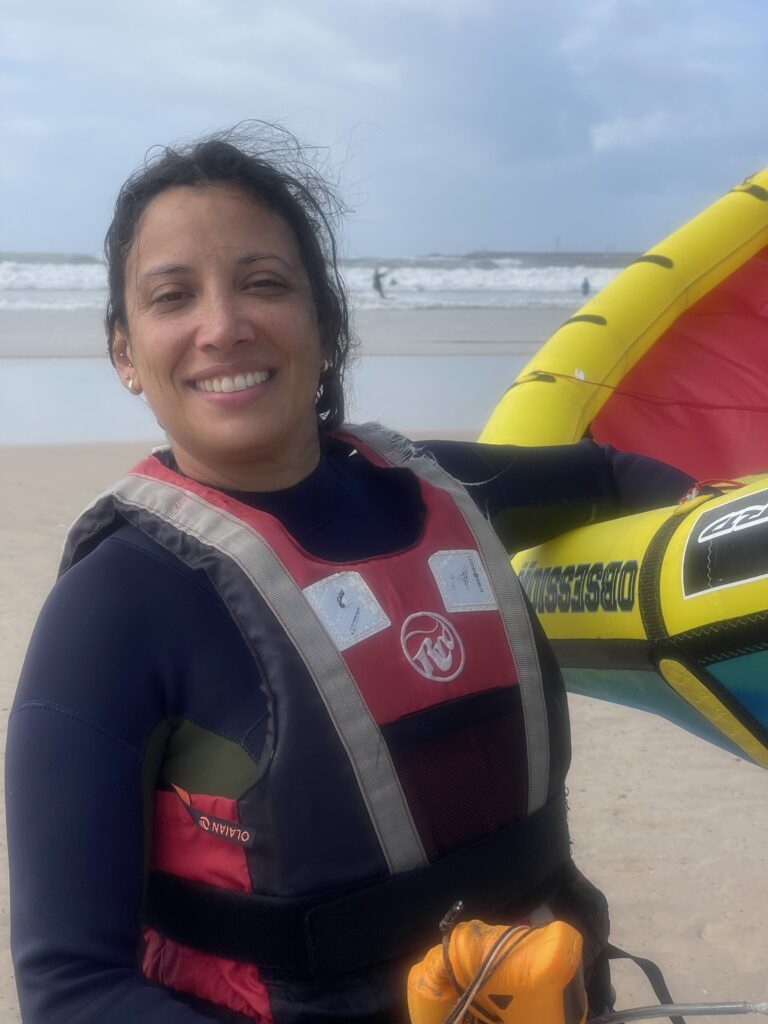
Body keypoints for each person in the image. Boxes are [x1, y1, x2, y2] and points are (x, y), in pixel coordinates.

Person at [6, 126, 694, 1024]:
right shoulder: (113, 606)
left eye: (264, 283)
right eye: (173, 296)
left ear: (326, 325)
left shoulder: (445, 491)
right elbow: (71, 987)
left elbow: (610, 476)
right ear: (125, 353)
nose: (224, 326)